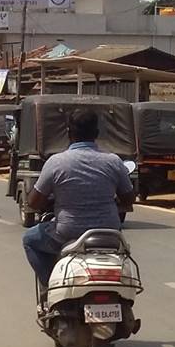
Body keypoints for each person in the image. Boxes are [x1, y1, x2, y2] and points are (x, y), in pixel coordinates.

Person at [22, 110, 134, 301]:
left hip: (68, 232)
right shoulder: (114, 161)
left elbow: (33, 202)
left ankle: (51, 287)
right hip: (109, 233)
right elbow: (128, 198)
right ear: (97, 134)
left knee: (29, 240)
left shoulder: (56, 162)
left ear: (69, 133)